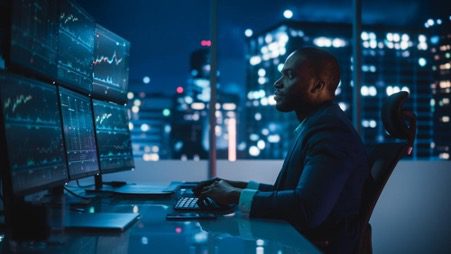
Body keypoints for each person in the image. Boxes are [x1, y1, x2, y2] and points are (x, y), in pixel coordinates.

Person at [195, 47, 369, 253]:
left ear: (317, 86)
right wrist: (236, 187)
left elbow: (306, 209)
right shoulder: (317, 124)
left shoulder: (330, 132)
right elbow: (291, 193)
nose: (277, 83)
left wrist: (234, 196)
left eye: (289, 75)